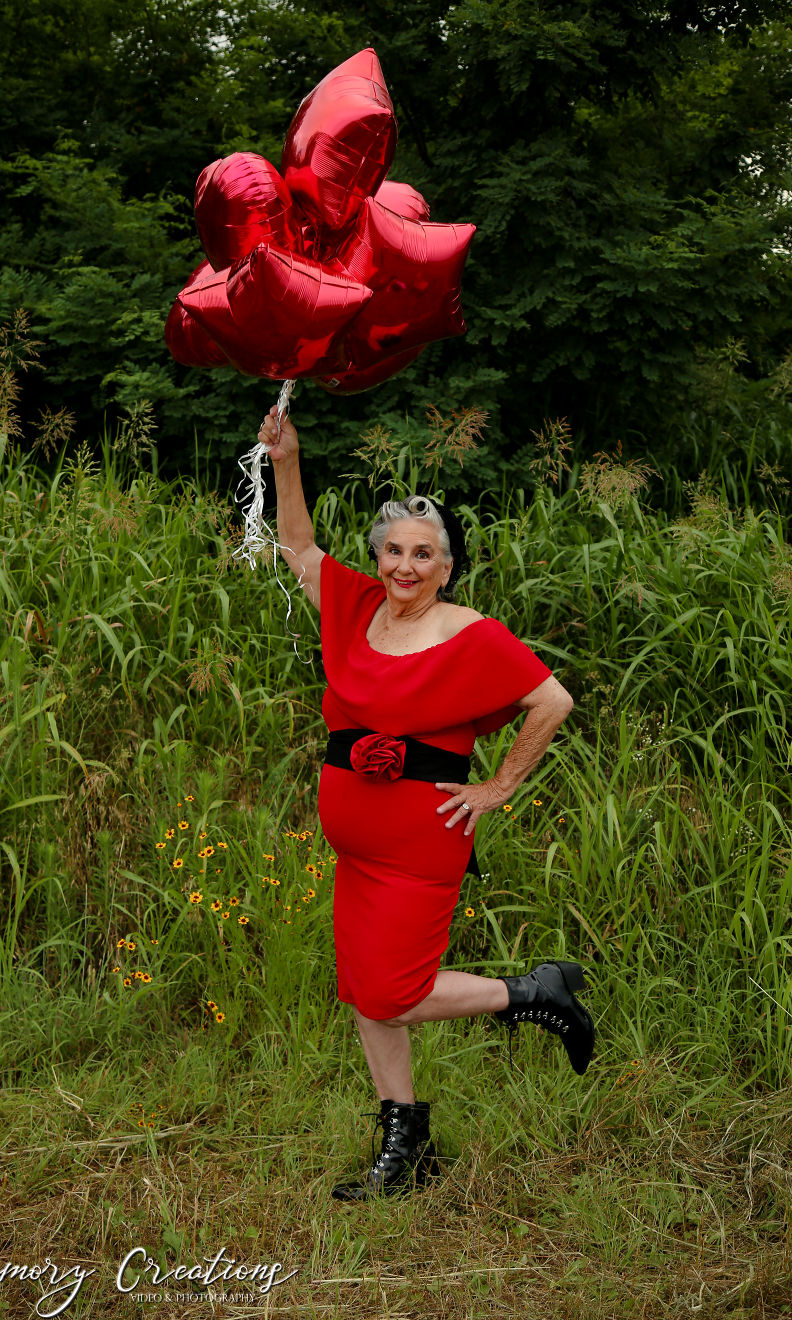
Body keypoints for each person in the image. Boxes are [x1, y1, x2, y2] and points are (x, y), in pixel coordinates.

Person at [258, 405, 595, 1202]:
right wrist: (285, 461)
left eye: (423, 553)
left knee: (395, 991)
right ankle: (405, 1144)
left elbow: (552, 702)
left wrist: (497, 787)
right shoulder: (354, 608)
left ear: (446, 566)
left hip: (420, 845)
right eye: (394, 550)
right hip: (355, 845)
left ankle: (533, 992)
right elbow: (298, 546)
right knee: (362, 990)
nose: (404, 566)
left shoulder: (470, 633)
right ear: (379, 557)